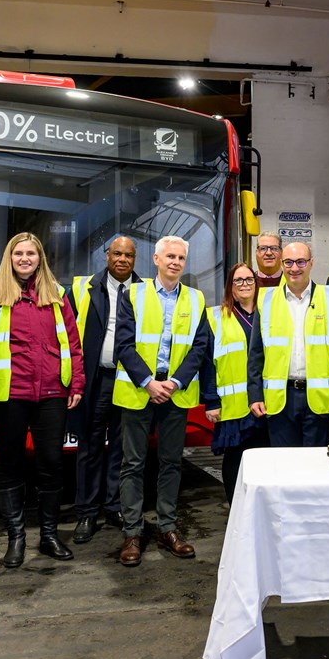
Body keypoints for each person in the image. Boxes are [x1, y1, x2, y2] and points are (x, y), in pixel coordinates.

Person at [0, 232, 85, 568]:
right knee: (10, 466)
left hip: (52, 392)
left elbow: (73, 340)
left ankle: (49, 535)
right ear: (9, 257)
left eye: (31, 253)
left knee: (51, 463)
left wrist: (76, 383)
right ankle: (16, 537)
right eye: (18, 253)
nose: (25, 259)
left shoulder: (57, 295)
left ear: (41, 258)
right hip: (7, 393)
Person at [112, 235, 211, 565]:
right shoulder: (133, 294)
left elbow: (199, 348)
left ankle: (168, 528)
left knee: (171, 463)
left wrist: (174, 381)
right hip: (139, 391)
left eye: (181, 258)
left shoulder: (196, 300)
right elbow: (123, 345)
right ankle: (132, 533)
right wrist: (148, 382)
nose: (175, 262)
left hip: (176, 393)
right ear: (155, 259)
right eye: (170, 256)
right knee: (132, 464)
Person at [67, 235, 140, 544]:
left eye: (128, 255)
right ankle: (86, 512)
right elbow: (68, 333)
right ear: (106, 255)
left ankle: (114, 506)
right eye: (117, 253)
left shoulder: (144, 291)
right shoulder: (81, 288)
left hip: (130, 380)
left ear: (135, 259)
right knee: (90, 447)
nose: (122, 259)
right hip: (96, 380)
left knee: (123, 450)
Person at [248, 241, 329, 447]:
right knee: (284, 466)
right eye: (288, 262)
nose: (294, 268)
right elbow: (256, 353)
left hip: (321, 400)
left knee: (317, 467)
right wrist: (255, 396)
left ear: (311, 263)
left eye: (300, 262)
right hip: (280, 399)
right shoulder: (266, 299)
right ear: (281, 264)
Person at [201, 263, 269, 502]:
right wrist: (211, 401)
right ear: (230, 286)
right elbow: (207, 363)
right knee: (235, 458)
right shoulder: (216, 316)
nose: (244, 285)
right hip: (234, 405)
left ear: (256, 282)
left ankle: (259, 508)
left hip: (267, 401)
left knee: (265, 458)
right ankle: (236, 508)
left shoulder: (269, 312)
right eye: (238, 280)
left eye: (249, 279)